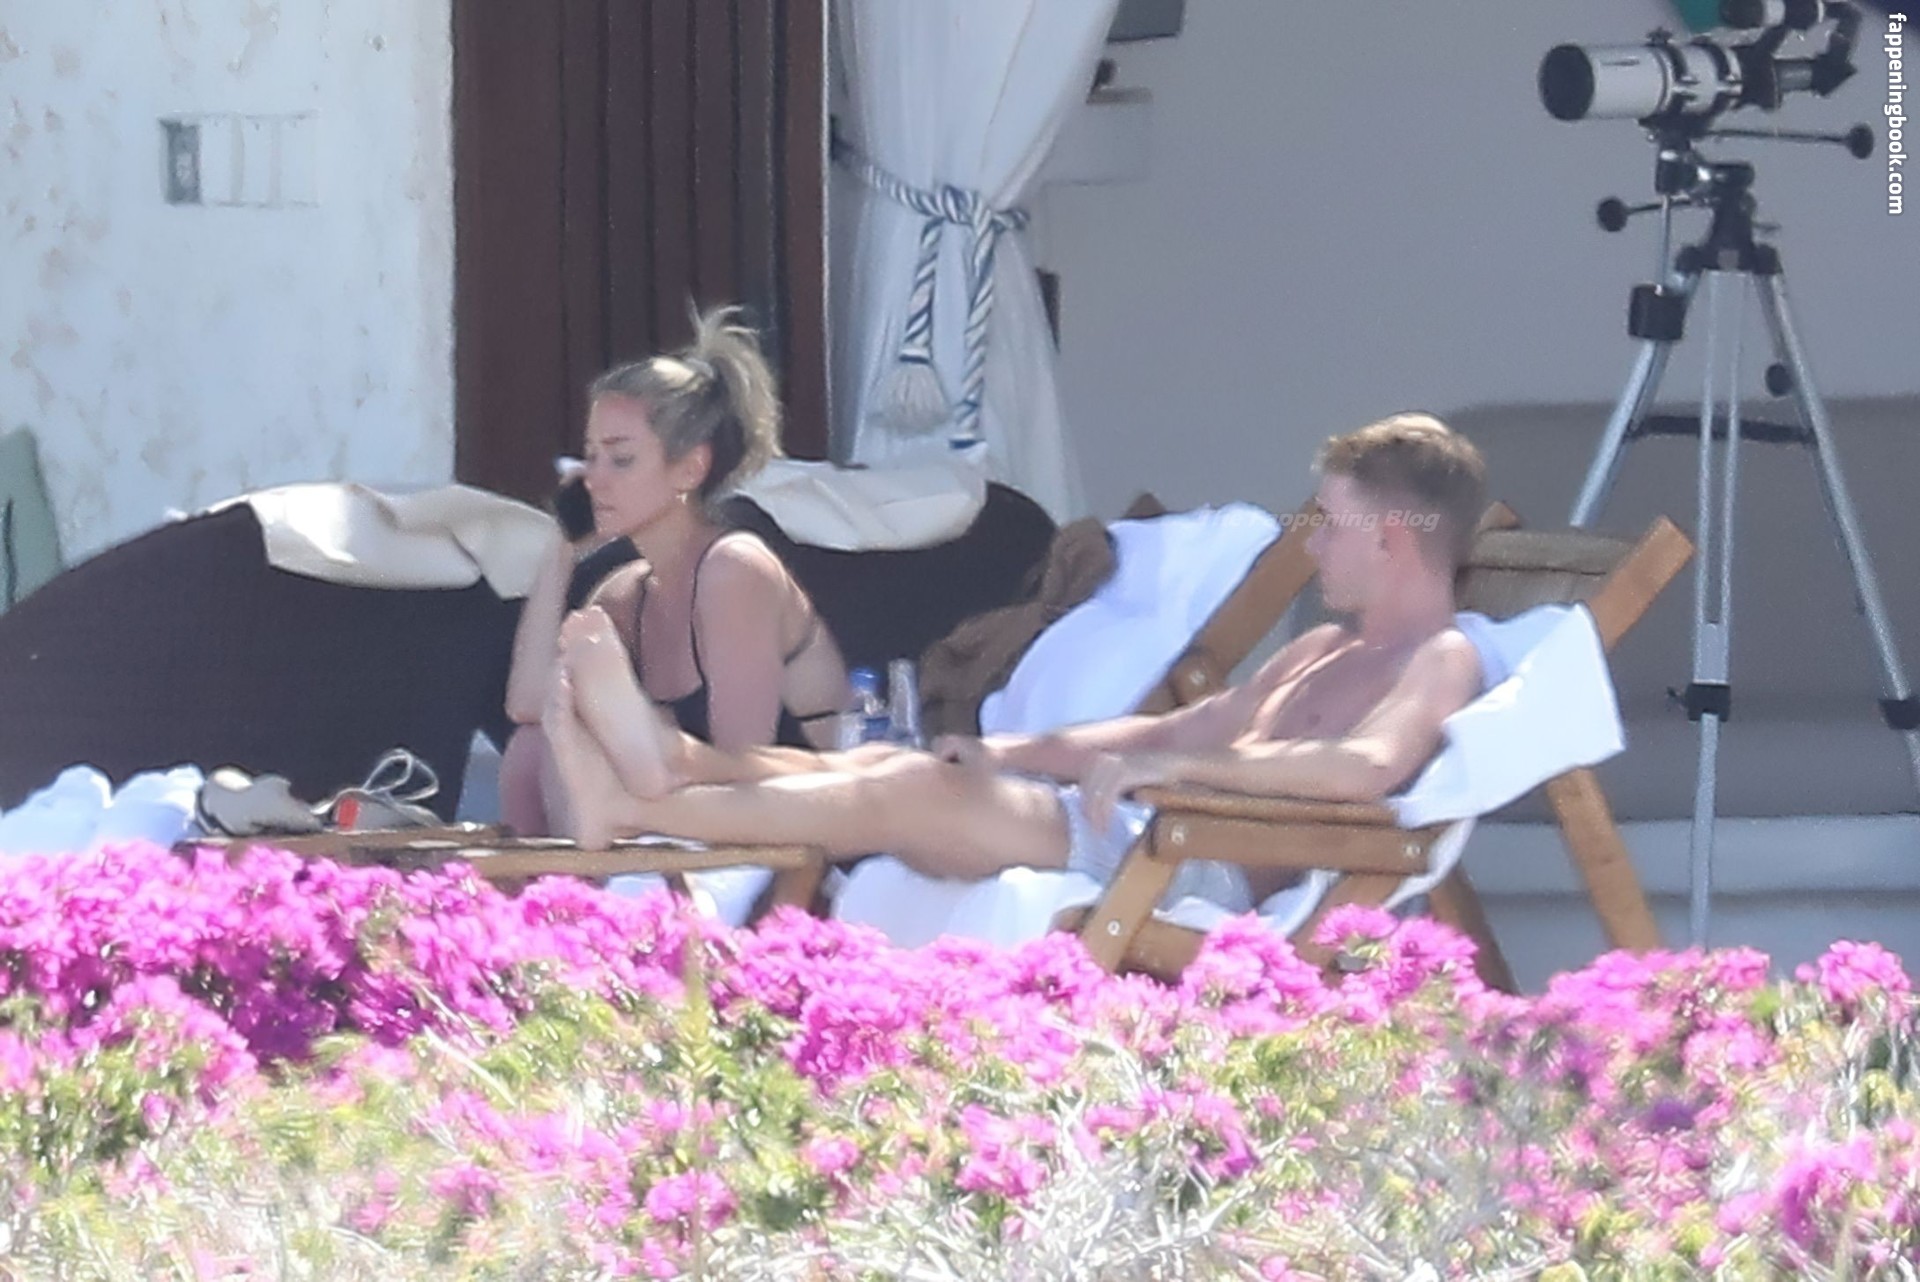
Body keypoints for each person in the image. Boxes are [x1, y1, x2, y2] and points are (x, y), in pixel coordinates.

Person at [541, 413, 1488, 907]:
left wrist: (1178, 770)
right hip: (1145, 829)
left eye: (1333, 525)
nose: (1313, 545)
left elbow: (1365, 768)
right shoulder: (1320, 650)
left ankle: (637, 808)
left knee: (909, 791)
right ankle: (678, 764)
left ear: (1394, 539)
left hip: (1196, 862)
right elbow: (1175, 727)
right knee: (888, 764)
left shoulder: (1441, 660)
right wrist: (1010, 751)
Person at [498, 307, 851, 836]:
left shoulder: (734, 570)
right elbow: (529, 705)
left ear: (690, 468)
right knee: (531, 750)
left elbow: (743, 767)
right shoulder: (624, 595)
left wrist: (654, 749)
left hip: (796, 830)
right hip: (690, 822)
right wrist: (561, 547)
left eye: (620, 459)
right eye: (589, 457)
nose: (593, 479)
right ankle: (559, 887)